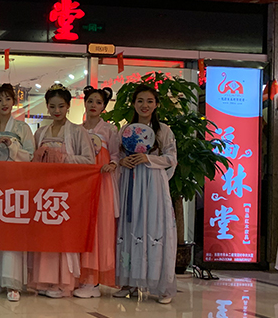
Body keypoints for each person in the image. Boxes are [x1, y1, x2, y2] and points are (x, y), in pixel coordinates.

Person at [113, 84, 178, 304]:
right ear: (133, 104)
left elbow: (171, 159)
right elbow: (116, 155)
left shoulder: (164, 130)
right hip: (130, 182)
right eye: (140, 101)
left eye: (150, 101)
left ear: (156, 104)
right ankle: (129, 282)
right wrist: (122, 162)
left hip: (153, 184)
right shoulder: (125, 130)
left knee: (153, 227)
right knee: (130, 226)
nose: (145, 105)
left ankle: (160, 286)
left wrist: (148, 159)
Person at [29, 84, 95, 298]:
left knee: (64, 235)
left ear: (68, 106)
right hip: (44, 190)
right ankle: (43, 279)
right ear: (47, 107)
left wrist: (63, 158)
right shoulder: (40, 132)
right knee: (44, 235)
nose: (56, 110)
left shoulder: (77, 131)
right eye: (52, 106)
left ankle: (62, 281)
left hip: (68, 191)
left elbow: (89, 160)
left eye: (61, 106)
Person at [0, 83, 35, 301]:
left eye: (8, 99)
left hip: (15, 184)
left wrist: (12, 146)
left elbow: (30, 156)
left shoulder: (22, 129)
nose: (4, 104)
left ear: (14, 102)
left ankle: (13, 282)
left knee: (13, 231)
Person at [74, 85, 120, 298]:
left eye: (98, 102)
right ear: (84, 102)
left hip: (102, 183)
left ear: (104, 107)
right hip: (82, 184)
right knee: (82, 226)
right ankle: (81, 276)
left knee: (100, 227)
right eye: (90, 101)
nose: (93, 105)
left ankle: (93, 280)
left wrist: (112, 164)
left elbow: (116, 155)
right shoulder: (77, 129)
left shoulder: (109, 130)